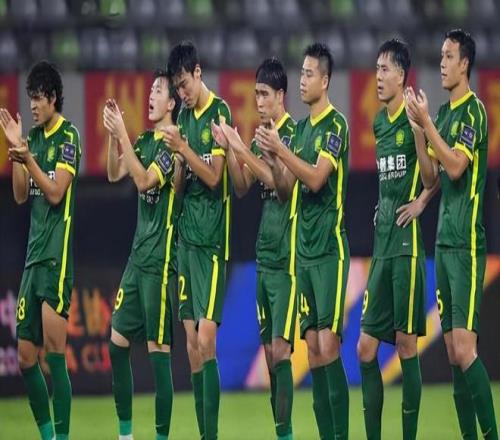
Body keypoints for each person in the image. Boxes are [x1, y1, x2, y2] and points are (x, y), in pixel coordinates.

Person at [406, 29, 498, 439]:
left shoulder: (474, 112)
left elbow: (457, 167)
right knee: (451, 352)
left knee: (464, 348)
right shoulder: (442, 115)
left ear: (465, 64)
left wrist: (427, 123)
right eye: (440, 56)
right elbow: (432, 176)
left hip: (466, 244)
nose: (442, 63)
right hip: (443, 243)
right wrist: (419, 129)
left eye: (448, 57)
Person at [257, 43, 350, 440]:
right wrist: (272, 159)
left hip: (329, 251)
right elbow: (285, 189)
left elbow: (315, 179)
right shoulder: (302, 132)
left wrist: (281, 149)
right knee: (312, 352)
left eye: (309, 74)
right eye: (302, 73)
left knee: (328, 346)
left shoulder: (335, 125)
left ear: (325, 81)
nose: (302, 80)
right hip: (303, 255)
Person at [212, 57, 297, 440]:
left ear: (280, 95)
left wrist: (242, 150)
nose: (258, 102)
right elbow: (242, 185)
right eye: (256, 95)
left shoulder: (293, 135)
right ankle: (282, 432)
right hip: (264, 257)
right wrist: (230, 148)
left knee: (280, 351)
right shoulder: (260, 136)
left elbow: (281, 185)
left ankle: (287, 434)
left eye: (264, 94)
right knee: (269, 357)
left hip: (289, 258)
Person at [357, 39, 437, 440]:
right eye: (376, 69)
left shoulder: (413, 115)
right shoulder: (377, 122)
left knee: (406, 346)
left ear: (402, 75)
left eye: (385, 69)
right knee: (365, 348)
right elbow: (389, 179)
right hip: (381, 245)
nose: (378, 76)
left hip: (406, 248)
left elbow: (432, 177)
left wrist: (420, 201)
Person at [0, 60, 81, 440]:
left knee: (53, 352)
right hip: (32, 261)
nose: (31, 105)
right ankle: (48, 436)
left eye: (37, 98)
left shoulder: (69, 136)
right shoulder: (31, 138)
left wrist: (27, 157)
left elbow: (55, 192)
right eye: (29, 98)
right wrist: (16, 149)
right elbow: (21, 195)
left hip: (55, 259)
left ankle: (61, 438)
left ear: (52, 98)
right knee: (25, 357)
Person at [102, 69, 182, 440]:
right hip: (137, 260)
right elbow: (114, 172)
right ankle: (125, 435)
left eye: (158, 90)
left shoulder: (172, 147)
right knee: (116, 344)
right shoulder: (145, 140)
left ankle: (161, 436)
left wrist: (122, 135)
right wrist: (113, 135)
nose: (150, 95)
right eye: (150, 89)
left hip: (160, 264)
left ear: (172, 103)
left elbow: (145, 180)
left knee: (157, 354)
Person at [163, 41, 232, 440]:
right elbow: (179, 187)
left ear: (198, 73)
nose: (182, 93)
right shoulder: (184, 119)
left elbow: (215, 177)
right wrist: (177, 160)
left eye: (184, 83)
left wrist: (184, 149)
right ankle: (205, 433)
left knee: (207, 339)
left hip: (212, 243)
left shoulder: (219, 112)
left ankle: (212, 435)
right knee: (191, 344)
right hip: (186, 242)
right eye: (176, 87)